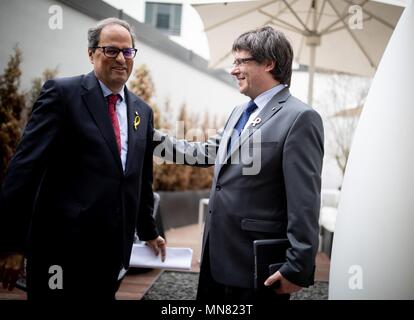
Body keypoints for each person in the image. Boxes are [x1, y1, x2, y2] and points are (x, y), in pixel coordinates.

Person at [153, 26, 324, 300]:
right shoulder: (239, 112)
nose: (233, 70)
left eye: (241, 61)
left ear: (269, 63)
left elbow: (304, 201)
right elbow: (205, 152)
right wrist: (151, 139)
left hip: (255, 264)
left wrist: (297, 267)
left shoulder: (300, 118)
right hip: (216, 256)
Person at [0, 18, 166, 299]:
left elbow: (139, 178)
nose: (121, 59)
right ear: (91, 54)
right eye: (111, 50)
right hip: (61, 251)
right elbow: (24, 169)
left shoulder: (142, 111)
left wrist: (149, 230)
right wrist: (11, 245)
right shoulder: (62, 94)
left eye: (128, 52)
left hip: (112, 253)